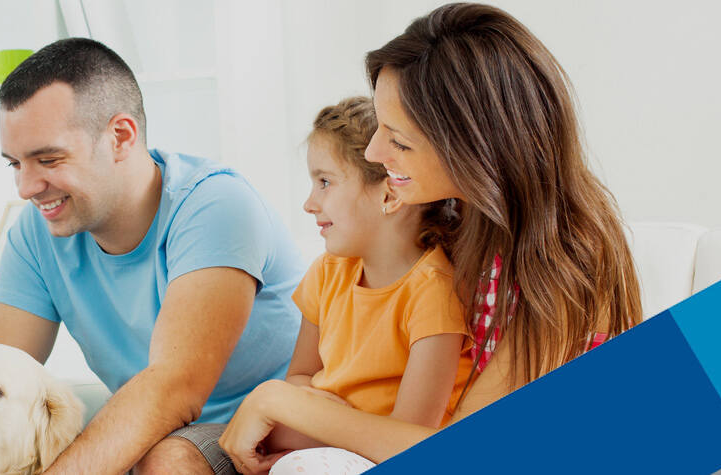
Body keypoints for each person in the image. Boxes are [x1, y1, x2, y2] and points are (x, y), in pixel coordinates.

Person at [218, 4, 642, 473]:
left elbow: (453, 454)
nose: (376, 153)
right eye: (380, 125)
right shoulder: (464, 222)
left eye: (399, 141)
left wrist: (284, 402)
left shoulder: (564, 257)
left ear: (475, 146)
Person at [0, 37, 306, 474]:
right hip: (161, 432)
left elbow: (174, 389)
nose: (25, 187)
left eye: (49, 159)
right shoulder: (34, 234)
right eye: (15, 164)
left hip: (264, 433)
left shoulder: (216, 205)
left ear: (120, 137)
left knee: (166, 459)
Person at [219, 96, 470, 465]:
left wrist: (301, 415)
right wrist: (302, 408)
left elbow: (408, 440)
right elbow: (300, 378)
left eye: (325, 182)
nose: (309, 203)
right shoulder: (327, 272)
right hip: (320, 446)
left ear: (389, 194)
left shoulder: (434, 293)